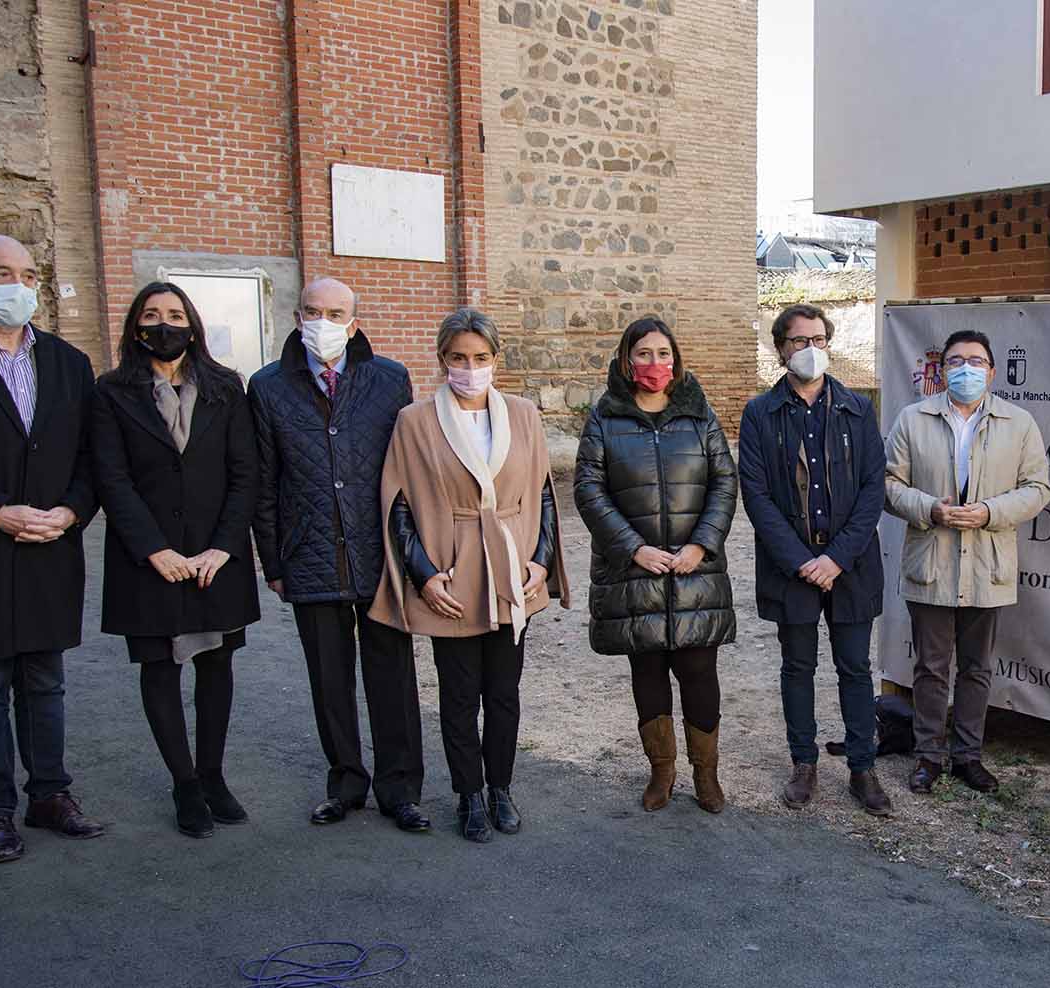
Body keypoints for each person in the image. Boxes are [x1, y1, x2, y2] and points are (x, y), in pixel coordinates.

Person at [370, 308, 569, 843]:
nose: (470, 367)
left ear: (496, 360)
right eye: (459, 357)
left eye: (481, 357)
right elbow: (398, 503)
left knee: (504, 691)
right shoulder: (415, 421)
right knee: (458, 697)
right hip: (452, 573)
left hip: (510, 569)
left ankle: (501, 788)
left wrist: (540, 561)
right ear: (442, 360)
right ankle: (469, 795)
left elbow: (543, 493)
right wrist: (423, 575)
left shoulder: (524, 414)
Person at [0, 233, 105, 862]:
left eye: (28, 272)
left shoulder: (67, 362)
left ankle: (49, 795)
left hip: (49, 547)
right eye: (1, 272)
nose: (18, 284)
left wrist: (71, 509)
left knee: (45, 681)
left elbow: (93, 456)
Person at [249, 277, 427, 833]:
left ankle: (401, 789)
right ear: (297, 315)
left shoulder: (390, 379)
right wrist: (273, 562)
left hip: (381, 556)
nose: (322, 322)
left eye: (335, 313)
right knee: (329, 678)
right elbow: (262, 480)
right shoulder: (269, 386)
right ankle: (346, 783)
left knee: (392, 677)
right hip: (310, 553)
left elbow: (410, 473)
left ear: (354, 322)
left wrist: (415, 552)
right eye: (312, 311)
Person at [90, 282, 260, 838]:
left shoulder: (225, 388)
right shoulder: (113, 392)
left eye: (175, 314)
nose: (165, 324)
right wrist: (154, 550)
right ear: (136, 326)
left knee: (217, 666)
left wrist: (224, 546)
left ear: (193, 324)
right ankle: (184, 782)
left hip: (216, 555)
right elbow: (111, 479)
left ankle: (212, 775)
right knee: (159, 669)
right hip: (149, 558)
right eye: (152, 315)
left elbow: (245, 474)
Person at [574, 317, 737, 814]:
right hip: (634, 572)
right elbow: (588, 489)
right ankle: (661, 771)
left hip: (694, 572)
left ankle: (705, 775)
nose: (654, 363)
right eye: (643, 353)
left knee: (698, 671)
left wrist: (701, 545)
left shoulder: (699, 413)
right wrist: (632, 548)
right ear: (626, 360)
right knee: (647, 672)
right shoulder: (605, 417)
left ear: (676, 359)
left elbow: (723, 483)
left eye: (663, 353)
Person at [738, 303, 891, 817]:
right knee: (797, 667)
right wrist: (803, 561)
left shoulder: (857, 409)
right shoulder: (760, 413)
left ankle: (862, 768)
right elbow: (755, 494)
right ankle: (803, 763)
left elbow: (873, 487)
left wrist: (837, 558)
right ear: (781, 349)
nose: (811, 350)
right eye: (800, 341)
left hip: (850, 566)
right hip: (793, 568)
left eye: (819, 340)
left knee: (855, 668)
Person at [883, 329, 1050, 795]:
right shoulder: (913, 419)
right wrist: (929, 508)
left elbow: (1039, 488)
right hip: (932, 561)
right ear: (941, 370)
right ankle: (927, 757)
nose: (966, 369)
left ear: (992, 372)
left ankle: (968, 757)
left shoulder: (1018, 423)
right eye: (956, 361)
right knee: (931, 668)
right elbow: (887, 484)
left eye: (976, 362)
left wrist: (990, 512)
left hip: (987, 563)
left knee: (977, 667)